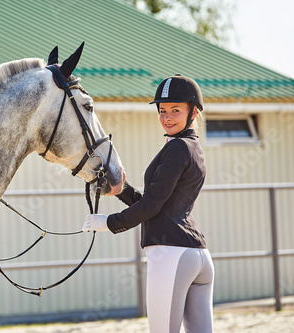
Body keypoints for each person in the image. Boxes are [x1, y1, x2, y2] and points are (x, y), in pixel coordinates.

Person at [82, 74, 214, 333]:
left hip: (171, 255)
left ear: (193, 111)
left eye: (175, 110)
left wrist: (108, 223)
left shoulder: (176, 148)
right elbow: (159, 202)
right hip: (198, 257)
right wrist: (122, 190)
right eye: (162, 110)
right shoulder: (193, 148)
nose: (166, 117)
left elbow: (152, 207)